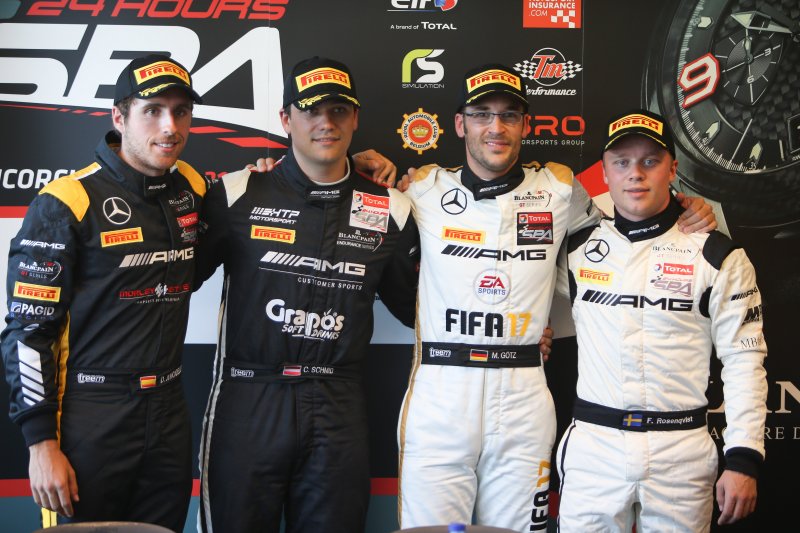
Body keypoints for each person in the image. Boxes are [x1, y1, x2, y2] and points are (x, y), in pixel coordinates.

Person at [0, 53, 397, 531]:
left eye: (181, 112)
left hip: (168, 411)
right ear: (118, 117)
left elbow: (289, 187)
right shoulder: (66, 201)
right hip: (91, 410)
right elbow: (27, 332)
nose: (169, 127)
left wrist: (350, 164)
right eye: (152, 111)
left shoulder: (191, 188)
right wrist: (40, 442)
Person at [394, 66, 716, 532]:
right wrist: (368, 164)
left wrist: (687, 205)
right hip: (441, 390)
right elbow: (359, 211)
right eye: (482, 114)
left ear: (526, 125)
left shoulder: (559, 188)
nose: (496, 128)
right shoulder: (424, 188)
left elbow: (630, 226)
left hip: (523, 392)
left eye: (509, 115)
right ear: (460, 124)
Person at [193, 56, 420, 533]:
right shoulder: (237, 192)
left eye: (338, 111)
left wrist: (514, 331)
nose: (325, 123)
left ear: (355, 119)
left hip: (338, 402)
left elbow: (418, 308)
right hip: (249, 396)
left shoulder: (392, 208)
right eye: (311, 110)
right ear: (285, 119)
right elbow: (175, 281)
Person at [555, 109, 767, 532]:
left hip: (681, 451)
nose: (635, 174)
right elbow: (512, 287)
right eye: (622, 162)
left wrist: (744, 458)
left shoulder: (718, 255)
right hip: (594, 447)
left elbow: (744, 360)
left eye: (650, 161)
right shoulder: (575, 249)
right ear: (605, 174)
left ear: (672, 169)